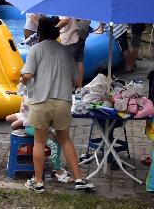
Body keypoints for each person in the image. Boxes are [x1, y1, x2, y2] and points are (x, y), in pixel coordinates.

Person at [20, 16, 94, 193]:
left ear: (39, 33)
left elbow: (28, 76)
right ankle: (78, 178)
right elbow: (77, 80)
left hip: (41, 102)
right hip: (63, 101)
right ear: (56, 32)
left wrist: (22, 79)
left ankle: (38, 182)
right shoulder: (66, 51)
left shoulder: (35, 49)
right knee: (65, 140)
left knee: (39, 141)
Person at [57, 16, 85, 87]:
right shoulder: (76, 5)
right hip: (79, 36)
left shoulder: (65, 6)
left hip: (69, 39)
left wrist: (55, 29)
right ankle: (79, 87)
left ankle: (68, 89)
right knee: (79, 61)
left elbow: (66, 20)